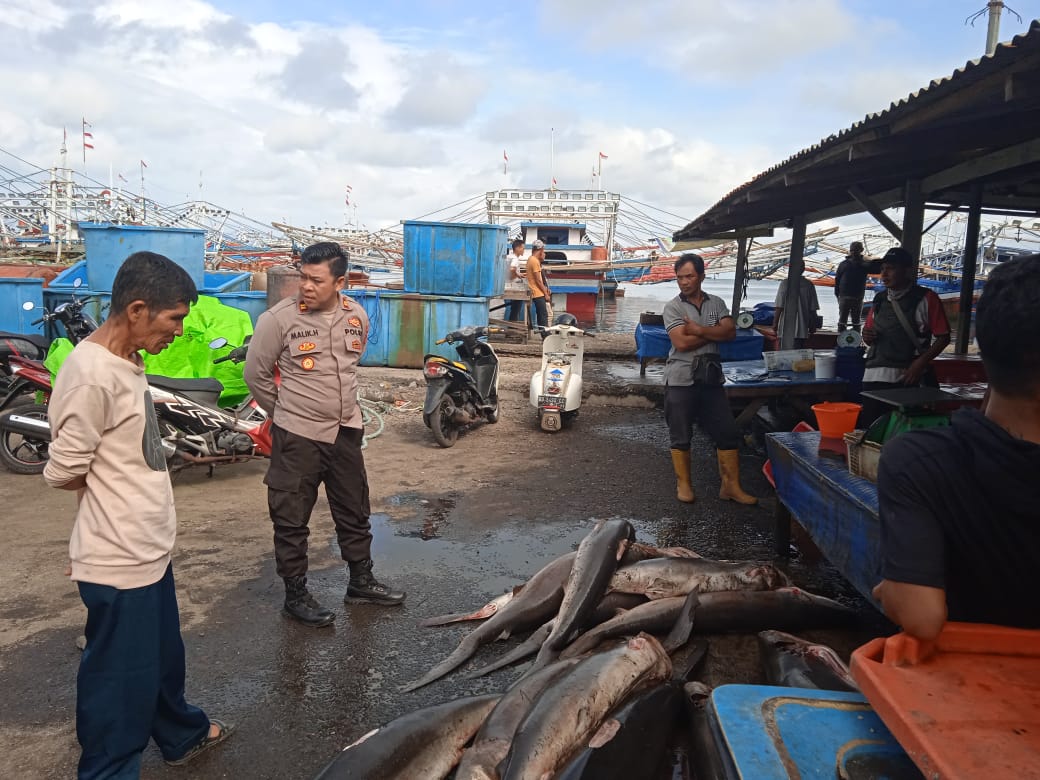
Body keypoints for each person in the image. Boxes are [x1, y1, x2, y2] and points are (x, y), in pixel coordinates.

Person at [43, 252, 234, 777]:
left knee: (162, 658)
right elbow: (62, 469)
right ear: (137, 309)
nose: (178, 330)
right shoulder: (89, 375)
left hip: (145, 546)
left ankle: (180, 732)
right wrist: (106, 514)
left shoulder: (128, 359)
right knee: (118, 680)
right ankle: (108, 769)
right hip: (119, 555)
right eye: (173, 319)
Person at [872, 254, 1040, 642]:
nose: (885, 274)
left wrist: (890, 590)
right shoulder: (881, 302)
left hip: (966, 685)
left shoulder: (917, 461)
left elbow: (922, 616)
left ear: (985, 347)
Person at [244, 241, 405, 628]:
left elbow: (350, 366)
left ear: (340, 282)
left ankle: (361, 582)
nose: (306, 286)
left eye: (316, 279)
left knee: (354, 510)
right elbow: (256, 375)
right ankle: (295, 595)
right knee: (290, 517)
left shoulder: (356, 316)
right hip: (297, 436)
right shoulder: (278, 319)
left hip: (345, 431)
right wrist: (284, 413)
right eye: (302, 276)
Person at [663, 253, 757, 506]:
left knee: (727, 432)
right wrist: (716, 333)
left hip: (711, 378)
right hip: (681, 378)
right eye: (680, 277)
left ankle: (731, 486)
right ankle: (684, 484)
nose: (684, 282)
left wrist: (700, 330)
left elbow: (732, 332)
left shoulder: (716, 303)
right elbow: (681, 343)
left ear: (702, 276)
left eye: (689, 276)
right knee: (681, 435)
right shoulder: (673, 307)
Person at [858, 246, 951, 427]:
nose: (884, 274)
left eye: (891, 268)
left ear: (907, 270)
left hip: (905, 380)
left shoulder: (927, 298)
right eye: (883, 269)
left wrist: (920, 363)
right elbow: (869, 337)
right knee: (871, 431)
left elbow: (944, 337)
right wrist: (866, 335)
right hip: (872, 379)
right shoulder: (879, 299)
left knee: (902, 432)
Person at [772, 257, 820, 349]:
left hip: (785, 327)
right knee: (799, 353)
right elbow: (813, 309)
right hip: (803, 327)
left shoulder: (785, 283)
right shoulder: (809, 285)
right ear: (803, 269)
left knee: (785, 354)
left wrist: (775, 324)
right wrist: (813, 325)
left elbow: (779, 306)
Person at [834, 241, 879, 331]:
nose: (853, 252)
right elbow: (837, 280)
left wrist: (869, 259)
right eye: (852, 250)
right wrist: (837, 294)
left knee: (855, 321)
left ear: (861, 250)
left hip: (856, 297)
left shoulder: (864, 264)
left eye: (855, 250)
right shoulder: (844, 264)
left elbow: (878, 269)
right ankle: (841, 338)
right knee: (844, 320)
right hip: (846, 296)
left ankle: (855, 339)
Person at [526, 239, 551, 328]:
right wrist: (545, 293)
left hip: (536, 291)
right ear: (540, 250)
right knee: (543, 315)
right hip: (537, 292)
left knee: (542, 315)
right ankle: (545, 335)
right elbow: (538, 280)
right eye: (543, 250)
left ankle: (544, 333)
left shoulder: (532, 259)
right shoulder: (534, 261)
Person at [504, 238, 527, 322]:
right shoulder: (515, 259)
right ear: (517, 248)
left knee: (511, 308)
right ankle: (512, 327)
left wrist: (519, 275)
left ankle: (510, 326)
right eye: (522, 248)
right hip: (514, 287)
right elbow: (512, 269)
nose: (523, 250)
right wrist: (516, 276)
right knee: (516, 309)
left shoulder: (508, 257)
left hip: (506, 286)